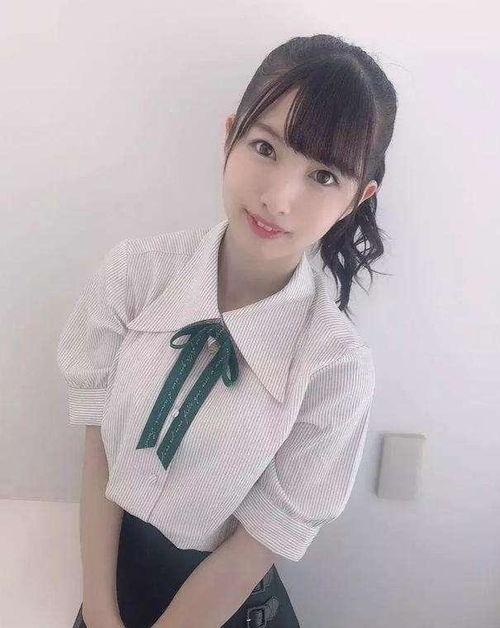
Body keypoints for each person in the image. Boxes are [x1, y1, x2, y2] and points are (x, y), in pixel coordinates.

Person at [58, 33, 397, 628]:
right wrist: (101, 611)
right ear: (230, 135)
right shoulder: (137, 274)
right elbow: (99, 446)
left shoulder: (335, 369)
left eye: (323, 176)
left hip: (228, 604)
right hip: (109, 574)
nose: (278, 199)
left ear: (356, 199)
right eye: (266, 148)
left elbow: (256, 544)